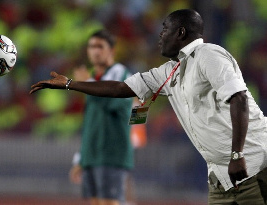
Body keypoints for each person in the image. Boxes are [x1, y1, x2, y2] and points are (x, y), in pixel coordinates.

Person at [30, 9, 267, 204]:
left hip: (253, 165)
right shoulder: (169, 71)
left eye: (165, 29)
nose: (160, 35)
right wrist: (70, 84)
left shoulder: (209, 55)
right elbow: (120, 88)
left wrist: (238, 155)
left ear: (181, 32)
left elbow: (239, 98)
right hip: (221, 177)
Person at [67, 30, 134, 205]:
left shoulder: (121, 74)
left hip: (111, 154)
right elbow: (91, 123)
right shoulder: (95, 78)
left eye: (100, 46)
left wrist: (88, 85)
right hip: (93, 155)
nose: (95, 51)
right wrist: (81, 158)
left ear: (112, 50)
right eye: (91, 46)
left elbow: (114, 104)